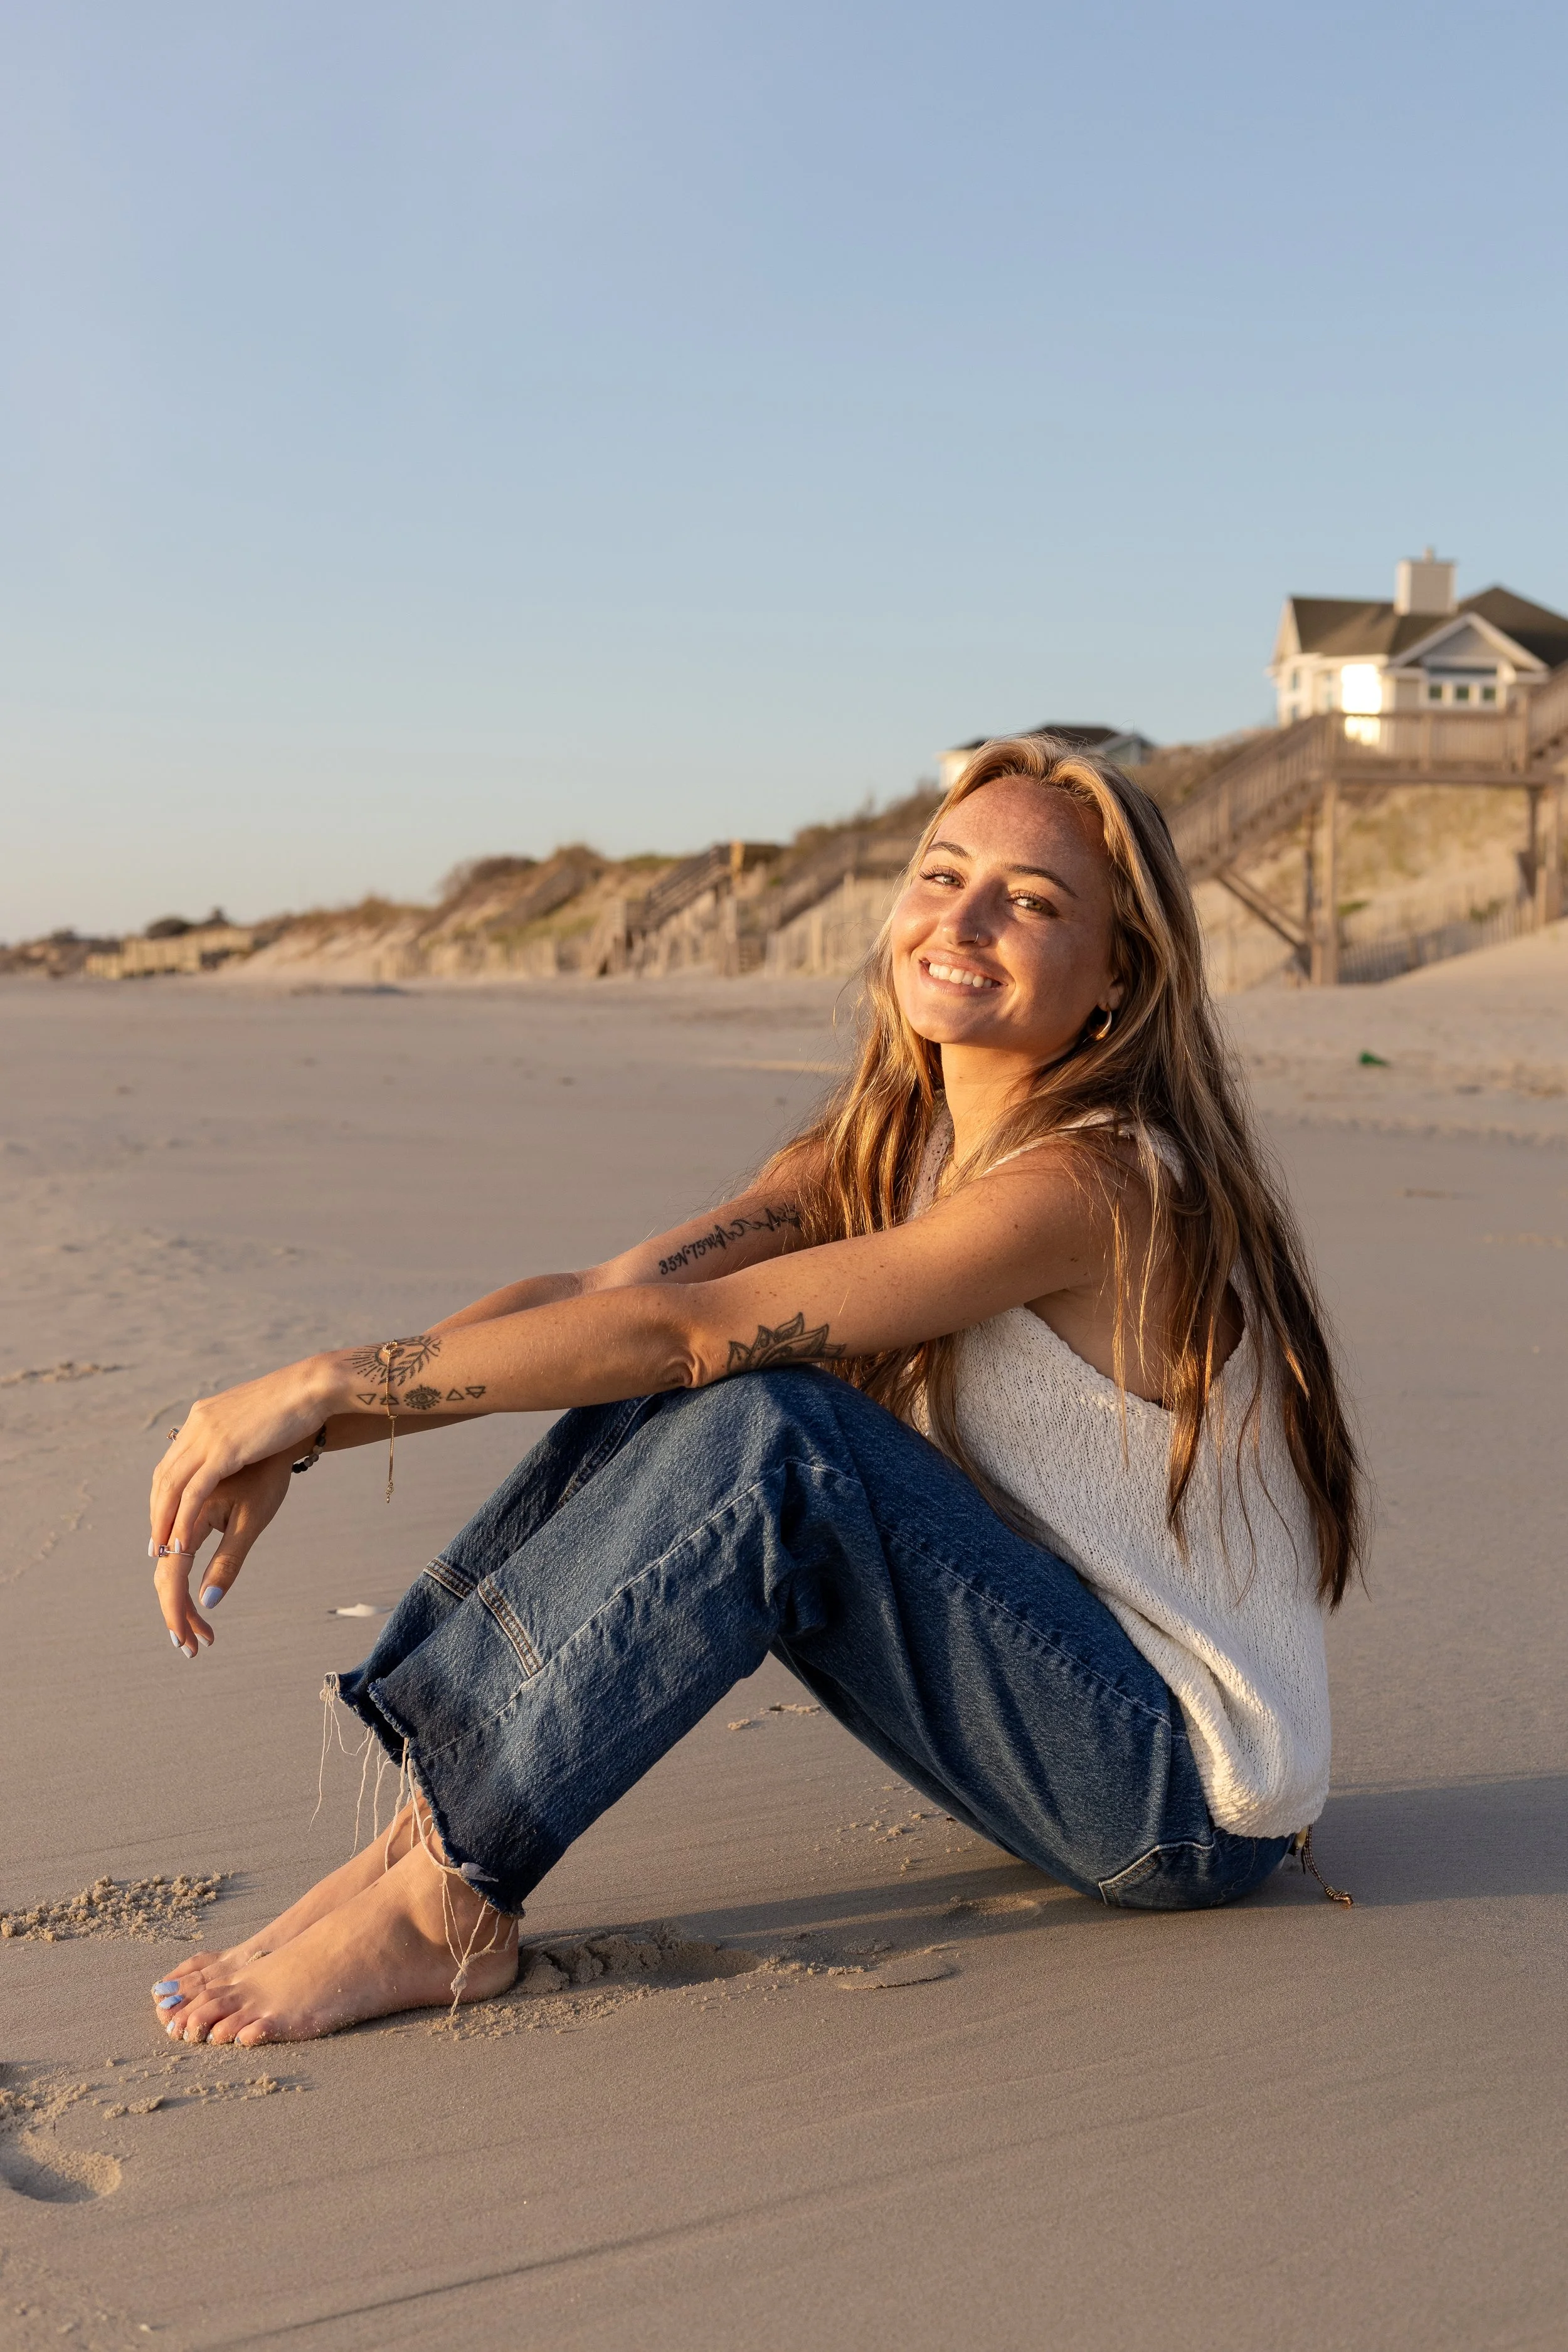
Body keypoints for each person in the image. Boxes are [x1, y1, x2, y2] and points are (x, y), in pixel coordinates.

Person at [146, 734, 1362, 2048]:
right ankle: (426, 1845)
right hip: (1056, 1693)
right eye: (941, 875)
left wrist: (326, 1382)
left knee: (770, 1428)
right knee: (654, 1374)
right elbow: (612, 1299)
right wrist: (319, 1423)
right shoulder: (884, 1149)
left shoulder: (1094, 1186)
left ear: (1118, 971)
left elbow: (691, 1336)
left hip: (1178, 1797)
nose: (961, 919)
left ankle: (450, 1906)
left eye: (1031, 900)